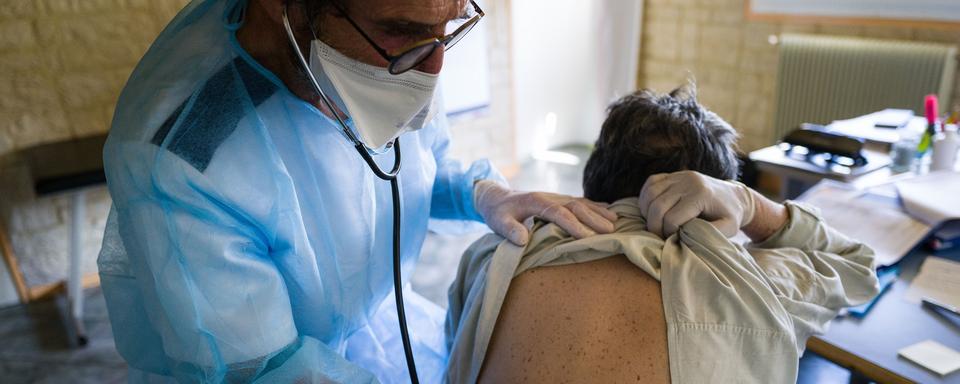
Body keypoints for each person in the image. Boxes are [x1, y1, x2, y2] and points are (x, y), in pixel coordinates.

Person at [96, 0, 621, 382]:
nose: (433, 67)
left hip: (383, 334)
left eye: (447, 28)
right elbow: (263, 370)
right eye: (403, 31)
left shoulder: (386, 57)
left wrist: (483, 194)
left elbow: (416, 168)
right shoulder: (182, 163)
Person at [445, 86, 881, 383]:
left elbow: (457, 352)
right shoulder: (758, 281)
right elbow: (858, 264)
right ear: (715, 209)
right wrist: (749, 204)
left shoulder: (499, 251)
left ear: (592, 181)